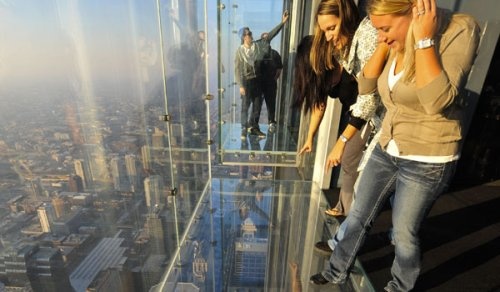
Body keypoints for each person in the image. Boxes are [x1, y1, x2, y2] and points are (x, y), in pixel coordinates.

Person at [309, 0, 480, 290]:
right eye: (377, 29)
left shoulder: (459, 29)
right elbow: (366, 86)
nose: (382, 35)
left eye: (386, 28)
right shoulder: (390, 39)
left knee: (403, 232)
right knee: (360, 213)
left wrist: (423, 39)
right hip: (388, 144)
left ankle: (400, 286)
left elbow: (437, 100)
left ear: (413, 11)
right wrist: (386, 42)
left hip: (429, 156)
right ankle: (336, 270)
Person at [296, 0, 380, 218]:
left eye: (331, 28)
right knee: (351, 164)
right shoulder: (341, 52)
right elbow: (319, 104)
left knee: (351, 162)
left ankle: (351, 216)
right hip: (361, 114)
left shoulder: (362, 40)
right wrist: (310, 137)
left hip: (369, 115)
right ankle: (348, 212)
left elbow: (369, 99)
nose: (328, 37)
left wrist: (341, 142)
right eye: (324, 31)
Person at [235, 11, 289, 140]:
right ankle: (244, 128)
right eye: (248, 34)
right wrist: (241, 85)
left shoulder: (258, 45)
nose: (250, 35)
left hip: (257, 81)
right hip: (247, 81)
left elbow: (271, 34)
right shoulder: (240, 52)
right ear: (243, 37)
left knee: (257, 106)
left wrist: (282, 22)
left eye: (250, 33)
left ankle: (254, 127)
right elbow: (237, 70)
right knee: (245, 106)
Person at [258, 32, 283, 133]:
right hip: (259, 83)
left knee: (271, 104)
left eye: (267, 38)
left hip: (270, 83)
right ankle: (255, 124)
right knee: (257, 104)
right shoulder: (258, 53)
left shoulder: (275, 54)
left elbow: (279, 68)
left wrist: (274, 79)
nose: (265, 40)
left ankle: (271, 122)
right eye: (264, 39)